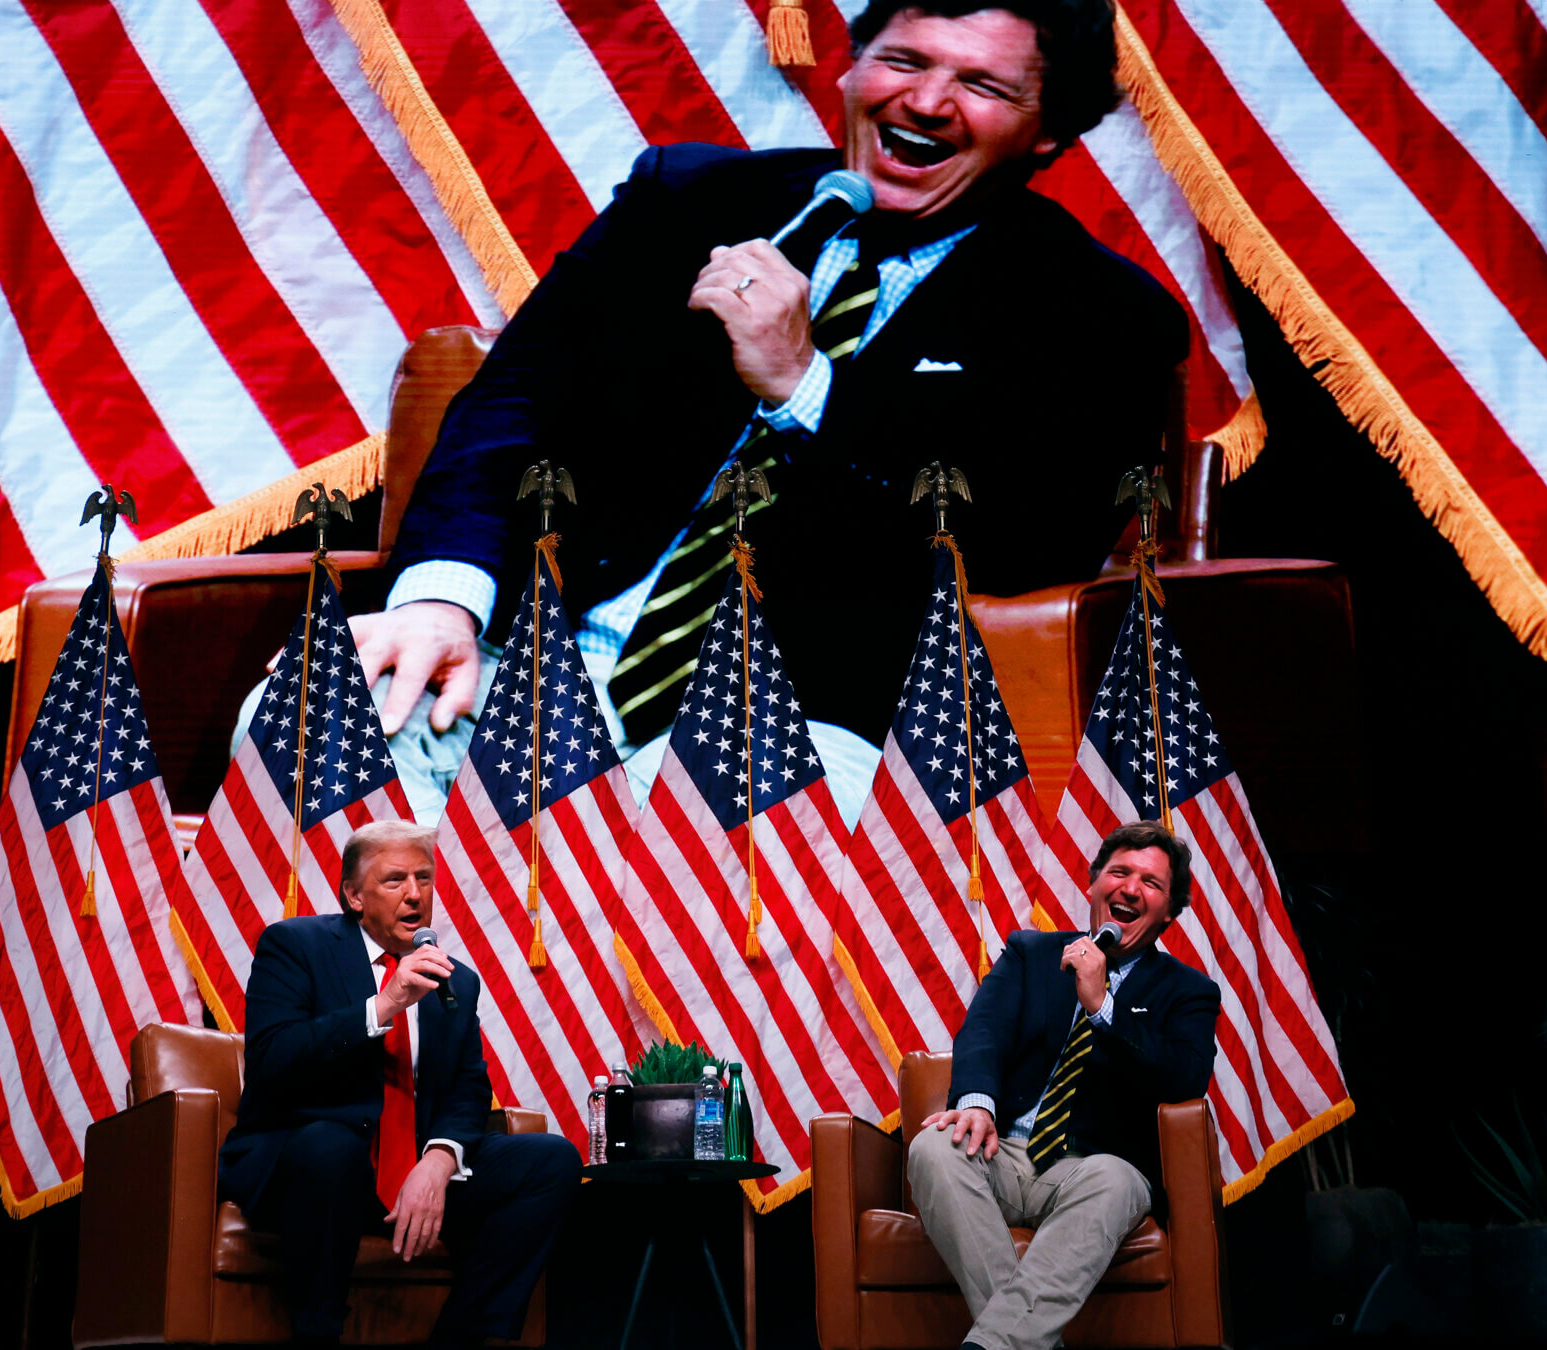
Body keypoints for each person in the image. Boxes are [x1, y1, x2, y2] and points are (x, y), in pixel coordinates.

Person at [348, 0, 1188, 821]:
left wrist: (804, 387)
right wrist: (442, 601)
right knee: (325, 708)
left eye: (985, 86)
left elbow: (1011, 549)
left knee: (731, 826)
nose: (928, 103)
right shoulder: (686, 201)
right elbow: (514, 402)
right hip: (547, 669)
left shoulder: (1101, 318)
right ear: (853, 70)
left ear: (1050, 131)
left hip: (800, 723)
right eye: (904, 61)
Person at [217, 820, 581, 1347]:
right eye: (395, 881)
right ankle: (317, 1333)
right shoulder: (295, 946)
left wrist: (438, 1160)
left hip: (409, 1173)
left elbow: (468, 1089)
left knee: (552, 1161)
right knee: (331, 1147)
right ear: (354, 895)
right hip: (312, 1169)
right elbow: (275, 1060)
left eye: (424, 879)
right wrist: (383, 1006)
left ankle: (465, 1337)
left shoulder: (453, 979)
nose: (415, 894)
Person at [905, 819, 1219, 1350]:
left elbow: (1183, 1078)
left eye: (1151, 883)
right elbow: (984, 1031)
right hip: (1003, 1152)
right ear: (1093, 884)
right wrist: (977, 1104)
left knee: (1117, 1181)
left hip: (1094, 1168)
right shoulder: (1031, 954)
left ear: (1170, 911)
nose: (1130, 888)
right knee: (934, 1146)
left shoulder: (1188, 991)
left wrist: (1103, 1006)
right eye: (1119, 872)